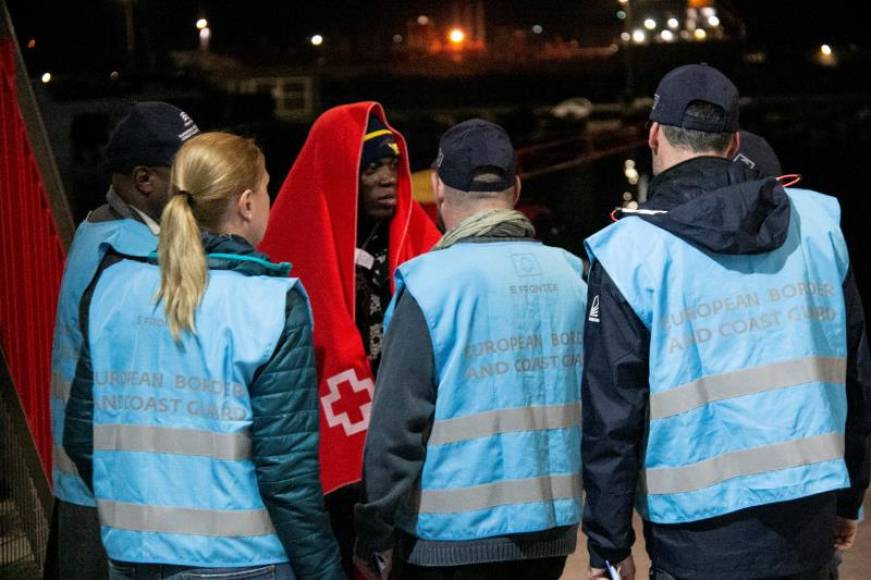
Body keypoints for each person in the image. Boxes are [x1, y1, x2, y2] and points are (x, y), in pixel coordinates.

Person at [581, 63, 871, 580]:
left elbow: (612, 414)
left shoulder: (630, 252)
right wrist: (850, 498)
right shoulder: (818, 225)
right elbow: (855, 377)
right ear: (734, 141)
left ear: (654, 135)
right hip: (807, 515)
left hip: (695, 536)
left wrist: (609, 541)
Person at [63, 132, 344, 579]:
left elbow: (81, 437)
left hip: (133, 557)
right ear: (247, 203)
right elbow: (286, 474)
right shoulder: (270, 303)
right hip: (243, 561)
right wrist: (325, 571)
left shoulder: (113, 287)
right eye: (266, 189)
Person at [354, 119, 588, 580]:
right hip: (550, 536)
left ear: (438, 187)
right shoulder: (574, 276)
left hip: (449, 540)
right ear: (515, 188)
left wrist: (374, 528)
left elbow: (396, 429)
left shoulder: (428, 285)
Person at [259, 102, 440, 573]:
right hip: (327, 475)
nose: (386, 179)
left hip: (408, 455)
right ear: (340, 174)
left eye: (391, 165)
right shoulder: (289, 252)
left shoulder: (422, 244)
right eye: (370, 168)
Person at [46, 101, 199, 580]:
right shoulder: (128, 256)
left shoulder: (102, 229)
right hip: (111, 493)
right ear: (144, 179)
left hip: (93, 482)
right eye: (187, 169)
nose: (200, 181)